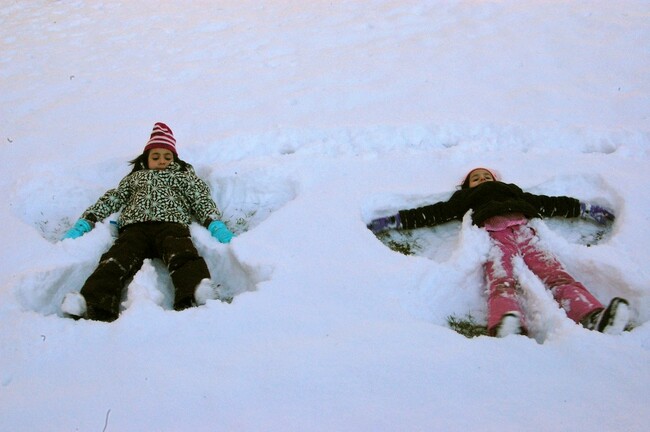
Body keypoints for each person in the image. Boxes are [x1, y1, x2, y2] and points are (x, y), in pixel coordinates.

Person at [367, 167, 630, 337]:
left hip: (527, 232)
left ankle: (592, 315)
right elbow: (435, 213)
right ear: (467, 186)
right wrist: (397, 220)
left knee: (555, 273)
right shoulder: (464, 199)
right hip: (494, 234)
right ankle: (507, 320)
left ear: (497, 179)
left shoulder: (513, 192)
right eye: (476, 178)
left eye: (486, 176)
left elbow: (547, 204)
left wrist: (582, 209)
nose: (482, 180)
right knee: (501, 278)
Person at [60, 122, 235, 322]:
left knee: (184, 255)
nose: (162, 161)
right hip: (135, 229)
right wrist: (87, 220)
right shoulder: (135, 178)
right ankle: (93, 303)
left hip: (171, 225)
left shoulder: (183, 177)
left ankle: (195, 291)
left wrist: (214, 223)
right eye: (156, 156)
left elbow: (200, 199)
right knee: (115, 261)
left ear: (175, 159)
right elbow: (113, 199)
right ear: (146, 159)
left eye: (168, 157)